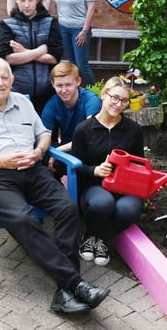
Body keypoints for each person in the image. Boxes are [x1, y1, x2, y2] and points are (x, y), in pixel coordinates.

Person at [0, 57, 110, 314]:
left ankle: (65, 293)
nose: (1, 82)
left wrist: (38, 152)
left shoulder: (23, 103)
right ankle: (74, 283)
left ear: (13, 80)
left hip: (33, 170)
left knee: (67, 208)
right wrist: (0, 161)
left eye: (5, 77)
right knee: (24, 219)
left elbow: (44, 133)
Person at [71, 77, 144, 266]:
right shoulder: (84, 129)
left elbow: (140, 164)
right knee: (103, 203)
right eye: (114, 98)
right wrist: (95, 170)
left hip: (125, 186)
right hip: (95, 185)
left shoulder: (133, 130)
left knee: (129, 208)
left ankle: (101, 238)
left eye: (124, 101)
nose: (119, 104)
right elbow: (75, 167)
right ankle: (89, 234)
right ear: (103, 95)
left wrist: (146, 181)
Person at [0, 0, 63, 114]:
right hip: (18, 92)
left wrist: (24, 52)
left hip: (47, 92)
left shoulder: (51, 23)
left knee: (46, 132)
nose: (26, 5)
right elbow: (8, 58)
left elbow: (54, 57)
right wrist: (41, 50)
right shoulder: (7, 24)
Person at [41, 62, 101, 173]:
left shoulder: (91, 100)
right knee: (44, 156)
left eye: (68, 85)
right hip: (67, 146)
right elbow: (44, 136)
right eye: (59, 85)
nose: (64, 90)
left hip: (88, 146)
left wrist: (59, 151)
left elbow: (90, 136)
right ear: (52, 84)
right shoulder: (52, 105)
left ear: (78, 81)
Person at [53, 0, 97, 87]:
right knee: (71, 64)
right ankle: (77, 91)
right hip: (63, 29)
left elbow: (91, 8)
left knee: (81, 65)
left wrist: (84, 31)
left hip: (79, 30)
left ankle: (94, 91)